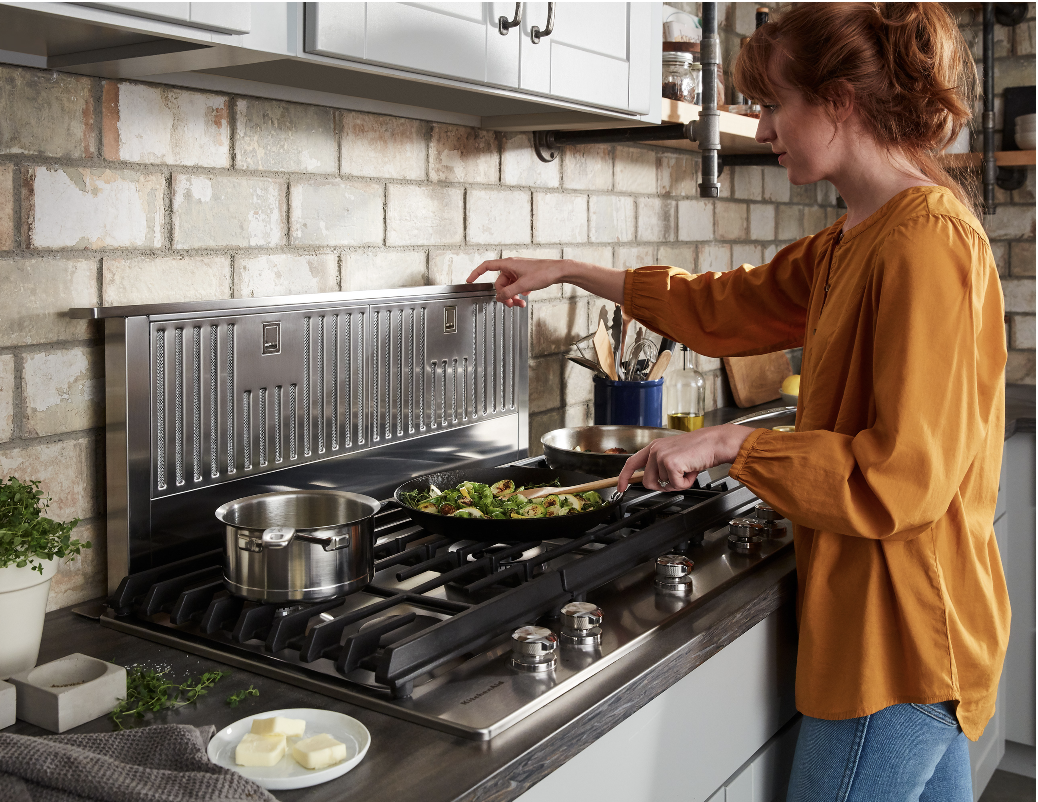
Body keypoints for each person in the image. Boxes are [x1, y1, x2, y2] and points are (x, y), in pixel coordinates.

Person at [467, 3, 1010, 800]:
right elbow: (724, 307)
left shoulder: (926, 241)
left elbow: (903, 476)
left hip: (898, 644)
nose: (761, 130)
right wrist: (572, 270)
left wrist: (730, 446)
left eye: (773, 104)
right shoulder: (851, 238)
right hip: (900, 635)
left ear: (839, 101)